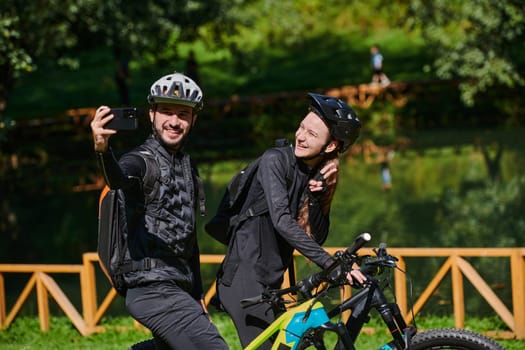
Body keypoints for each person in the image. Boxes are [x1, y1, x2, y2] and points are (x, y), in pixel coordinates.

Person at [216, 93, 367, 349]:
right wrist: (331, 264)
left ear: (330, 146)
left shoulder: (312, 172)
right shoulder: (274, 160)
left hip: (271, 284)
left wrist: (319, 198)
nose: (301, 136)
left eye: (311, 134)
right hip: (244, 282)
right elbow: (282, 221)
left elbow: (316, 237)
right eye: (302, 127)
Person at [90, 72, 228, 350]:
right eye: (166, 111)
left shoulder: (187, 167)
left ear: (193, 119)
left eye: (183, 114)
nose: (175, 121)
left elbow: (189, 238)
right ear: (151, 114)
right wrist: (103, 150)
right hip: (151, 288)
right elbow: (117, 179)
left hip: (178, 289)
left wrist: (198, 292)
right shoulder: (141, 161)